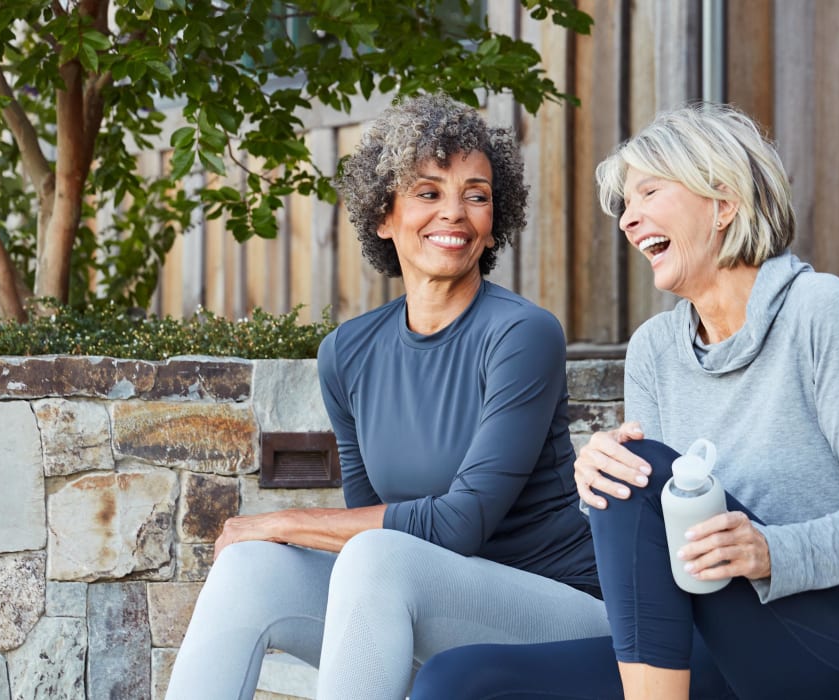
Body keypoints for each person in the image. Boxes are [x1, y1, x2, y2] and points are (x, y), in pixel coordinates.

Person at [409, 103, 839, 699]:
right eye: (625, 206)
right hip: (701, 642)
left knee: (646, 471)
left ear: (724, 202)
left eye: (649, 192)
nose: (629, 221)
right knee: (460, 681)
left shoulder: (818, 310)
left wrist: (771, 552)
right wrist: (593, 480)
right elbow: (648, 538)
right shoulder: (654, 347)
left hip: (834, 643)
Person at [164, 93, 609, 700]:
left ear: (493, 219)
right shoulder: (348, 353)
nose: (454, 213)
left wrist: (285, 521)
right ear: (383, 215)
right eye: (428, 193)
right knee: (249, 567)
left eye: (475, 195)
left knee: (376, 557)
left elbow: (461, 524)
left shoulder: (521, 334)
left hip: (563, 611)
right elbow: (366, 519)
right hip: (427, 606)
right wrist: (274, 538)